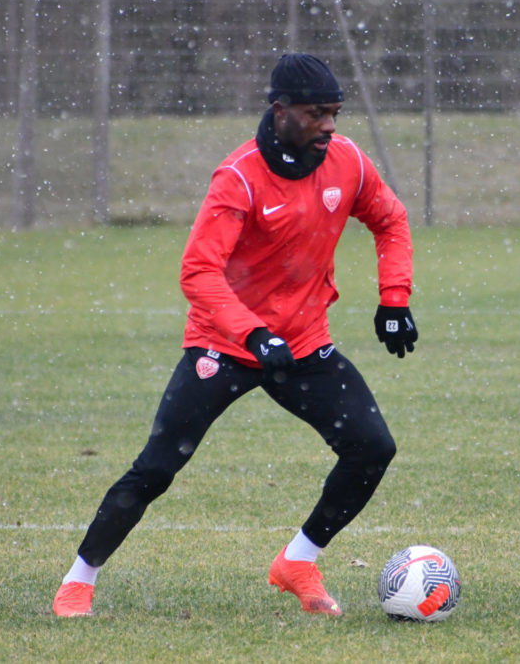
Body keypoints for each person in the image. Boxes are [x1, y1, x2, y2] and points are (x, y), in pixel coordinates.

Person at [52, 53, 418, 618]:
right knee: (157, 468)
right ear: (280, 110)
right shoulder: (239, 178)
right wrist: (252, 334)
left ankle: (298, 561)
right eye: (316, 114)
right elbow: (198, 271)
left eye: (334, 113)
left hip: (302, 344)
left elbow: (390, 219)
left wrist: (394, 298)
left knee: (372, 448)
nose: (329, 126)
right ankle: (79, 581)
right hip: (223, 345)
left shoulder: (347, 161)